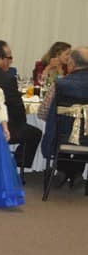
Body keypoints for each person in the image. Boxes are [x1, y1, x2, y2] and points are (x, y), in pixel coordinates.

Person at [39, 47, 88, 188]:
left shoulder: (59, 84)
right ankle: (77, 172)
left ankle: (62, 170)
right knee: (83, 132)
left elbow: (43, 112)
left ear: (71, 63)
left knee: (63, 130)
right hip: (87, 139)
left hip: (60, 139)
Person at [0, 40, 42, 170]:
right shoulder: (7, 79)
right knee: (34, 133)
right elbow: (17, 108)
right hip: (1, 127)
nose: (11, 61)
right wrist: (21, 124)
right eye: (9, 58)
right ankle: (15, 166)